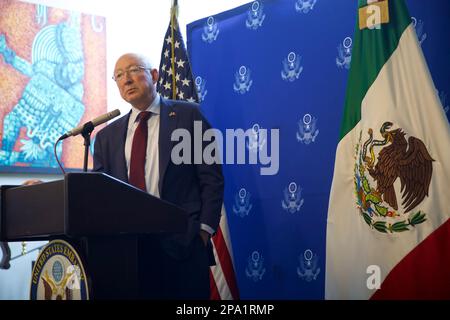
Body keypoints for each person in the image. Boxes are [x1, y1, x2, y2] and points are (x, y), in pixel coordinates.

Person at [93, 53, 224, 299]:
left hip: (183, 245)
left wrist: (203, 231)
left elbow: (211, 179)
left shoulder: (188, 116)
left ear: (154, 75)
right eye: (119, 75)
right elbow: (101, 194)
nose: (126, 80)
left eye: (133, 70)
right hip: (129, 252)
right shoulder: (106, 137)